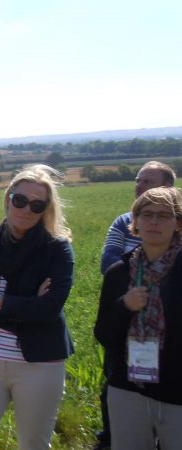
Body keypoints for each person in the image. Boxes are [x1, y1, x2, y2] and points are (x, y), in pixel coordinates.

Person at [0, 165, 74, 450]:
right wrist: (29, 306)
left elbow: (50, 309)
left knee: (33, 445)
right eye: (20, 200)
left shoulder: (58, 250)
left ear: (45, 209)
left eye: (37, 204)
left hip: (40, 366)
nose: (26, 209)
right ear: (8, 199)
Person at [95, 161, 176, 450]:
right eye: (147, 214)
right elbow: (103, 332)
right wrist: (124, 306)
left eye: (164, 215)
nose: (154, 222)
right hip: (127, 386)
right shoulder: (120, 273)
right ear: (136, 221)